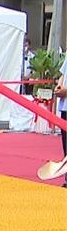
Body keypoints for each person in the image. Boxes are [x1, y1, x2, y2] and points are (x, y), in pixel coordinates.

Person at [55, 54, 67, 187]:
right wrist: (59, 86)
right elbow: (63, 74)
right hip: (65, 107)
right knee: (66, 145)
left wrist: (66, 91)